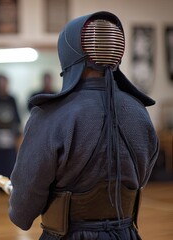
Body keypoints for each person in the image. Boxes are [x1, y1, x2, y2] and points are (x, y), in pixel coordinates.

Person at [9, 11, 159, 239]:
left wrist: (18, 200)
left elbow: (23, 210)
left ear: (68, 54)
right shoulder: (140, 112)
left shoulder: (51, 115)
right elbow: (142, 177)